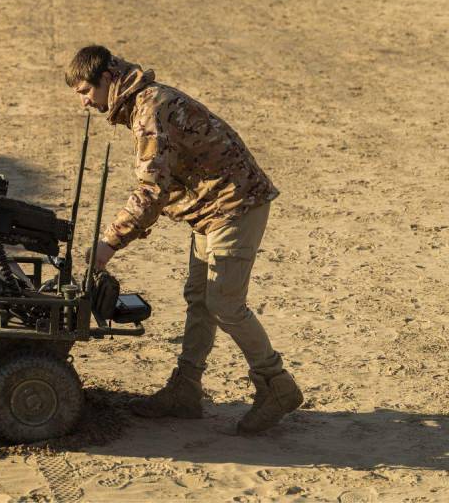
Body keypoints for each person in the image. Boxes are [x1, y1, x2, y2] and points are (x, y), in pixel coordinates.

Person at [66, 44, 303, 435]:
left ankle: (277, 385)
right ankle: (186, 389)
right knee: (200, 298)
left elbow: (151, 190)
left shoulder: (149, 111)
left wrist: (109, 243)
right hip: (212, 209)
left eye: (84, 92)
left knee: (225, 302)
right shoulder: (143, 103)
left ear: (107, 79)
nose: (84, 102)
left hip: (235, 204)